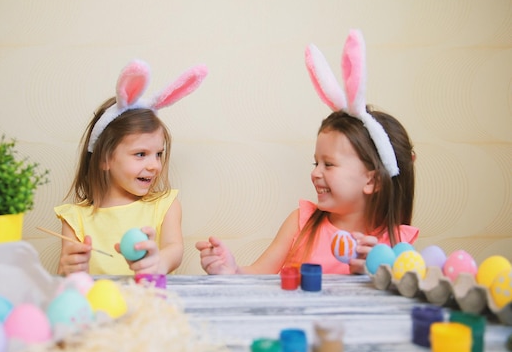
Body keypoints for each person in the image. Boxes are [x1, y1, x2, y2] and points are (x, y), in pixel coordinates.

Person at [196, 29, 418, 275]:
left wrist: (374, 276)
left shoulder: (395, 246)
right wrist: (232, 270)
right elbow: (260, 274)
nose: (316, 174)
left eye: (329, 164)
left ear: (372, 179)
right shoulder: (301, 222)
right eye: (316, 164)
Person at [55, 60, 207, 276]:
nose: (155, 165)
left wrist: (159, 262)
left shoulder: (165, 206)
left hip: (151, 306)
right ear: (104, 159)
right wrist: (67, 269)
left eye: (158, 154)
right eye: (140, 154)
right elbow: (69, 276)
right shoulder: (75, 219)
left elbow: (174, 249)